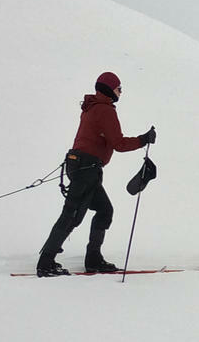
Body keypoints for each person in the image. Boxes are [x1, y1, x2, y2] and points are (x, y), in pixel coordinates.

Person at [37, 71, 155, 276]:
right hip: (87, 168)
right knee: (72, 215)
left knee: (103, 210)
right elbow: (118, 143)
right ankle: (46, 262)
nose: (121, 92)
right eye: (119, 88)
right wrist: (143, 139)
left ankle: (93, 259)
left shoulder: (91, 108)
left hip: (82, 166)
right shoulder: (104, 110)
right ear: (110, 89)